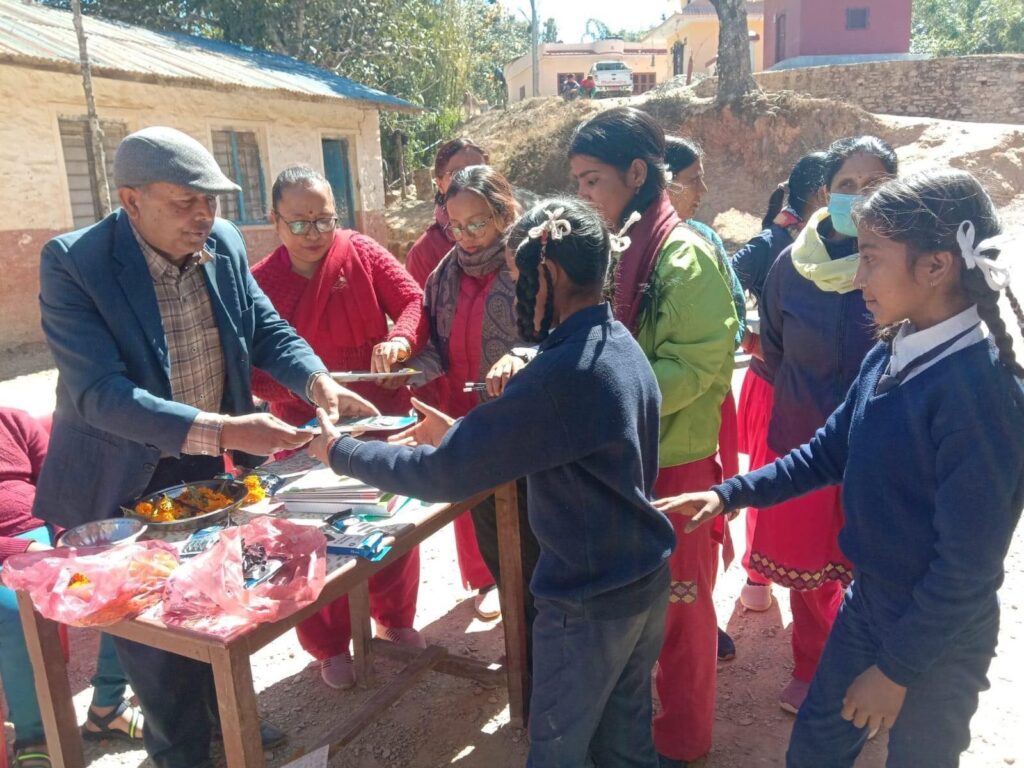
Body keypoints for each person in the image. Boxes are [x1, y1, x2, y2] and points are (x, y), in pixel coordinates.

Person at [33, 126, 375, 768]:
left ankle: (225, 719)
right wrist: (226, 429)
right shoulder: (75, 263)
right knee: (155, 646)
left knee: (214, 603)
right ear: (130, 201)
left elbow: (263, 325)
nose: (204, 216)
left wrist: (313, 375)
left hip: (196, 466)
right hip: (118, 480)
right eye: (184, 202)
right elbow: (100, 394)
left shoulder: (220, 243)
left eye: (212, 201)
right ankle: (182, 750)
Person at [659, 169, 1024, 768]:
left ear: (935, 267)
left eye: (872, 259)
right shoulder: (893, 347)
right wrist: (728, 495)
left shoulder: (979, 395)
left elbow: (964, 570)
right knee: (815, 751)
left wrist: (896, 672)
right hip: (870, 605)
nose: (857, 279)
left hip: (940, 638)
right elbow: (829, 450)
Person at [307, 198, 676, 767]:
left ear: (546, 274)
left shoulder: (558, 374)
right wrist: (460, 432)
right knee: (625, 742)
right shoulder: (613, 344)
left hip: (588, 601)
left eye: (516, 275)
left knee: (558, 748)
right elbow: (565, 444)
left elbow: (440, 476)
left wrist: (341, 450)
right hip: (640, 579)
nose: (513, 286)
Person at [569, 107, 738, 767]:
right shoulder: (623, 245)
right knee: (642, 611)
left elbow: (697, 365)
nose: (583, 196)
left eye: (593, 180)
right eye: (577, 182)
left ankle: (683, 740)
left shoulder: (681, 255)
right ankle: (643, 727)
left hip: (677, 464)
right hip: (633, 455)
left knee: (681, 613)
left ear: (637, 173)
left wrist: (600, 390)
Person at [250, 165, 430, 691]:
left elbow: (413, 301)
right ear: (275, 223)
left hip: (380, 417)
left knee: (393, 522)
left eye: (323, 221)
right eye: (299, 223)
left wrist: (399, 338)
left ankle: (394, 618)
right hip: (305, 430)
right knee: (310, 538)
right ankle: (327, 646)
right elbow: (255, 367)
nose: (314, 234)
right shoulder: (261, 281)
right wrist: (311, 395)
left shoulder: (363, 253)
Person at [749, 135, 898, 714]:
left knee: (876, 566)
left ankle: (873, 666)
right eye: (847, 187)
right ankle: (812, 663)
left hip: (883, 446)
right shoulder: (791, 265)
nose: (860, 198)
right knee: (812, 570)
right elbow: (777, 349)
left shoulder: (908, 263)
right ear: (823, 194)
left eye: (876, 185)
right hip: (807, 440)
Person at [407, 164, 540, 624]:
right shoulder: (445, 275)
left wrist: (522, 356)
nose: (465, 236)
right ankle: (521, 640)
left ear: (504, 213)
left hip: (525, 432)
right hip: (468, 432)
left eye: (477, 223)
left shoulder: (530, 265)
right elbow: (436, 348)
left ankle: (540, 646)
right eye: (456, 226)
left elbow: (561, 335)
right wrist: (407, 370)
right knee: (494, 540)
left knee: (534, 544)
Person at [1, 407, 143, 768]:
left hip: (49, 548)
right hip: (9, 555)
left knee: (117, 585)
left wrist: (67, 537)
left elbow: (61, 487)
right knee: (16, 611)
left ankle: (108, 705)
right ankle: (35, 736)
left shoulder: (12, 421)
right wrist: (22, 550)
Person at [729, 151, 829, 614]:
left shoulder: (837, 247)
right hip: (773, 385)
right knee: (766, 482)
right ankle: (756, 575)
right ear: (820, 194)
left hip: (808, 383)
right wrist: (747, 336)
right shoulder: (775, 242)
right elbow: (724, 279)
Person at [664, 134, 747, 661]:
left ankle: (697, 622)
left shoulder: (698, 245)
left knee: (694, 544)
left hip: (695, 420)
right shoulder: (610, 249)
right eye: (695, 178)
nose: (704, 189)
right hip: (662, 432)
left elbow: (733, 316)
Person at [405, 138, 490, 288]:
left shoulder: (513, 236)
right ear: (440, 185)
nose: (471, 181)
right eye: (458, 173)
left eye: (480, 172)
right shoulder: (424, 254)